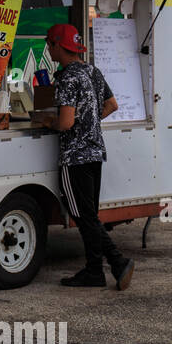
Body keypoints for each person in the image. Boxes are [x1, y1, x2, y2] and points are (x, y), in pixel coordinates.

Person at [33, 23, 134, 290]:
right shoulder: (93, 71)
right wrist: (89, 122)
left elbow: (65, 123)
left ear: (58, 45)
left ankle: (116, 260)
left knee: (83, 215)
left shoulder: (67, 77)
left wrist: (48, 122)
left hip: (74, 156)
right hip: (95, 152)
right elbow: (112, 105)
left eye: (49, 43)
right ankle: (95, 270)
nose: (48, 48)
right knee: (89, 213)